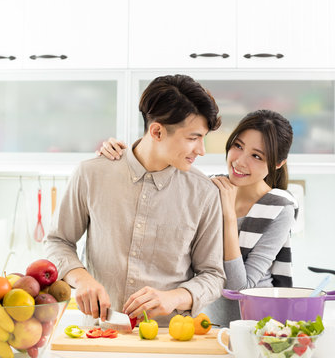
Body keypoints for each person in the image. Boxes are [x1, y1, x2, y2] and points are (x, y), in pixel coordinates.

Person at [45, 74, 226, 327]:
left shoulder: (204, 193)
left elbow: (213, 276)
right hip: (99, 334)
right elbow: (58, 241)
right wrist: (82, 279)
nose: (201, 150)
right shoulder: (92, 173)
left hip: (171, 340)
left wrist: (173, 298)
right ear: (157, 131)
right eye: (193, 138)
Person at [98, 109, 298, 326]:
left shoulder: (279, 207)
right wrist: (122, 156)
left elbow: (239, 289)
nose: (240, 161)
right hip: (206, 325)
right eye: (238, 146)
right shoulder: (208, 188)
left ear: (278, 164)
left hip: (257, 326)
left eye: (256, 156)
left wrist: (228, 215)